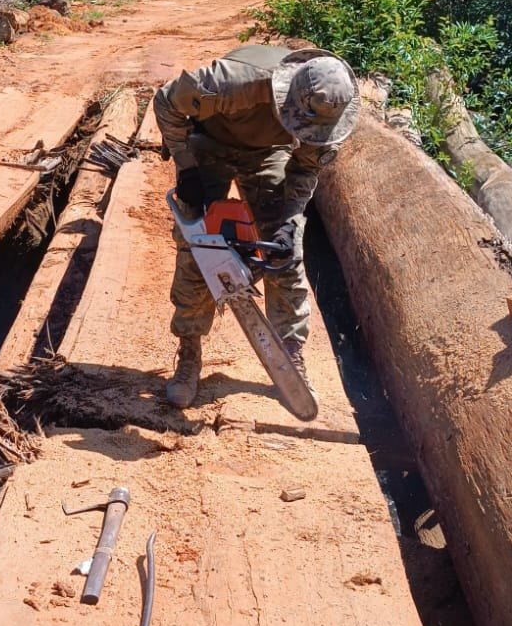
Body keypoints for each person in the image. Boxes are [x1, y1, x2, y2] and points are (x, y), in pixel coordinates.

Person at [153, 44, 360, 410]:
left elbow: (306, 169)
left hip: (269, 153)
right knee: (198, 250)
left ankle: (291, 354)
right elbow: (167, 101)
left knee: (285, 253)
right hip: (208, 143)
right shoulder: (234, 82)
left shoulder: (329, 114)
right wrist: (186, 167)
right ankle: (188, 353)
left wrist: (290, 220)